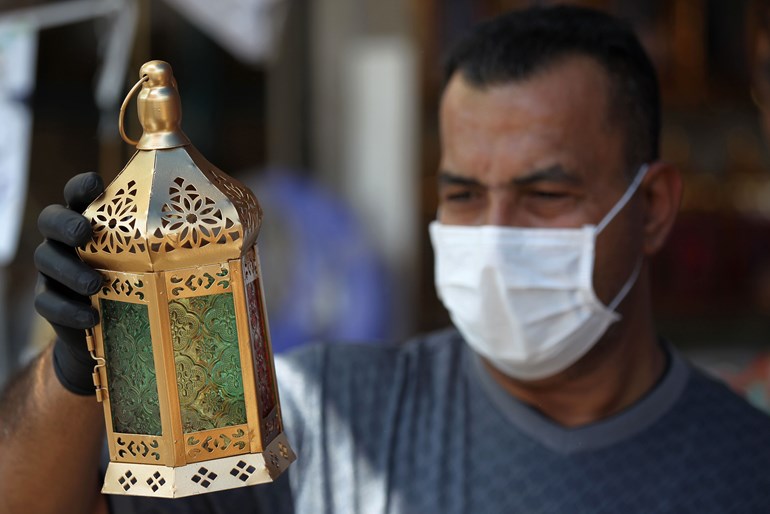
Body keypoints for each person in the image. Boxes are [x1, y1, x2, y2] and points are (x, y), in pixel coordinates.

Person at [3, 5, 770, 513]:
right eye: (464, 194)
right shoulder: (329, 419)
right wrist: (73, 375)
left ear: (654, 208)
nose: (495, 233)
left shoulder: (742, 470)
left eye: (544, 194)